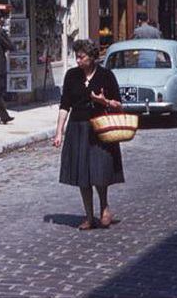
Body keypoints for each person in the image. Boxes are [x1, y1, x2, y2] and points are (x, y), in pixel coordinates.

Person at [53, 39, 125, 230]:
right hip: (78, 128)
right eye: (76, 56)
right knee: (82, 174)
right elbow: (64, 105)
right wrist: (59, 132)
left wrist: (105, 101)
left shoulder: (106, 76)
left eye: (81, 57)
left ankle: (104, 208)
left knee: (99, 172)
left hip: (99, 128)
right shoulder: (71, 76)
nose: (78, 60)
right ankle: (88, 215)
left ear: (92, 57)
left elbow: (119, 104)